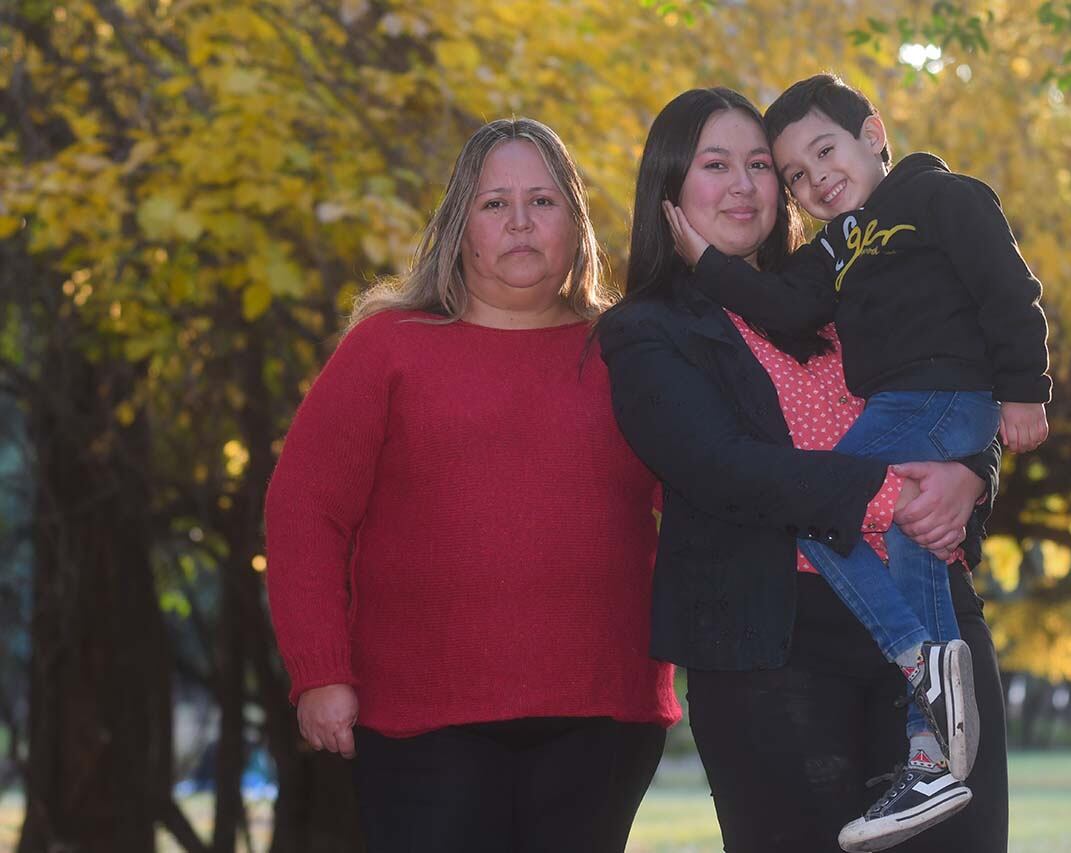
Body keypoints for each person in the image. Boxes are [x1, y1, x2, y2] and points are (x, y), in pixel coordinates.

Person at [597, 87, 1009, 853]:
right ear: (669, 191)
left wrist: (974, 477)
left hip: (932, 615)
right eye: (717, 164)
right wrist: (894, 495)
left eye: (763, 166)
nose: (747, 184)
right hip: (775, 646)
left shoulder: (848, 285)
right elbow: (724, 468)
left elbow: (952, 382)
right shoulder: (645, 332)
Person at [264, 118, 680, 853]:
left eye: (543, 202)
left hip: (603, 714)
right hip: (421, 718)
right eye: (495, 204)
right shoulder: (387, 349)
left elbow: (700, 502)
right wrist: (319, 670)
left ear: (576, 223)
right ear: (461, 225)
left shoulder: (633, 350)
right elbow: (304, 510)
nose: (520, 222)